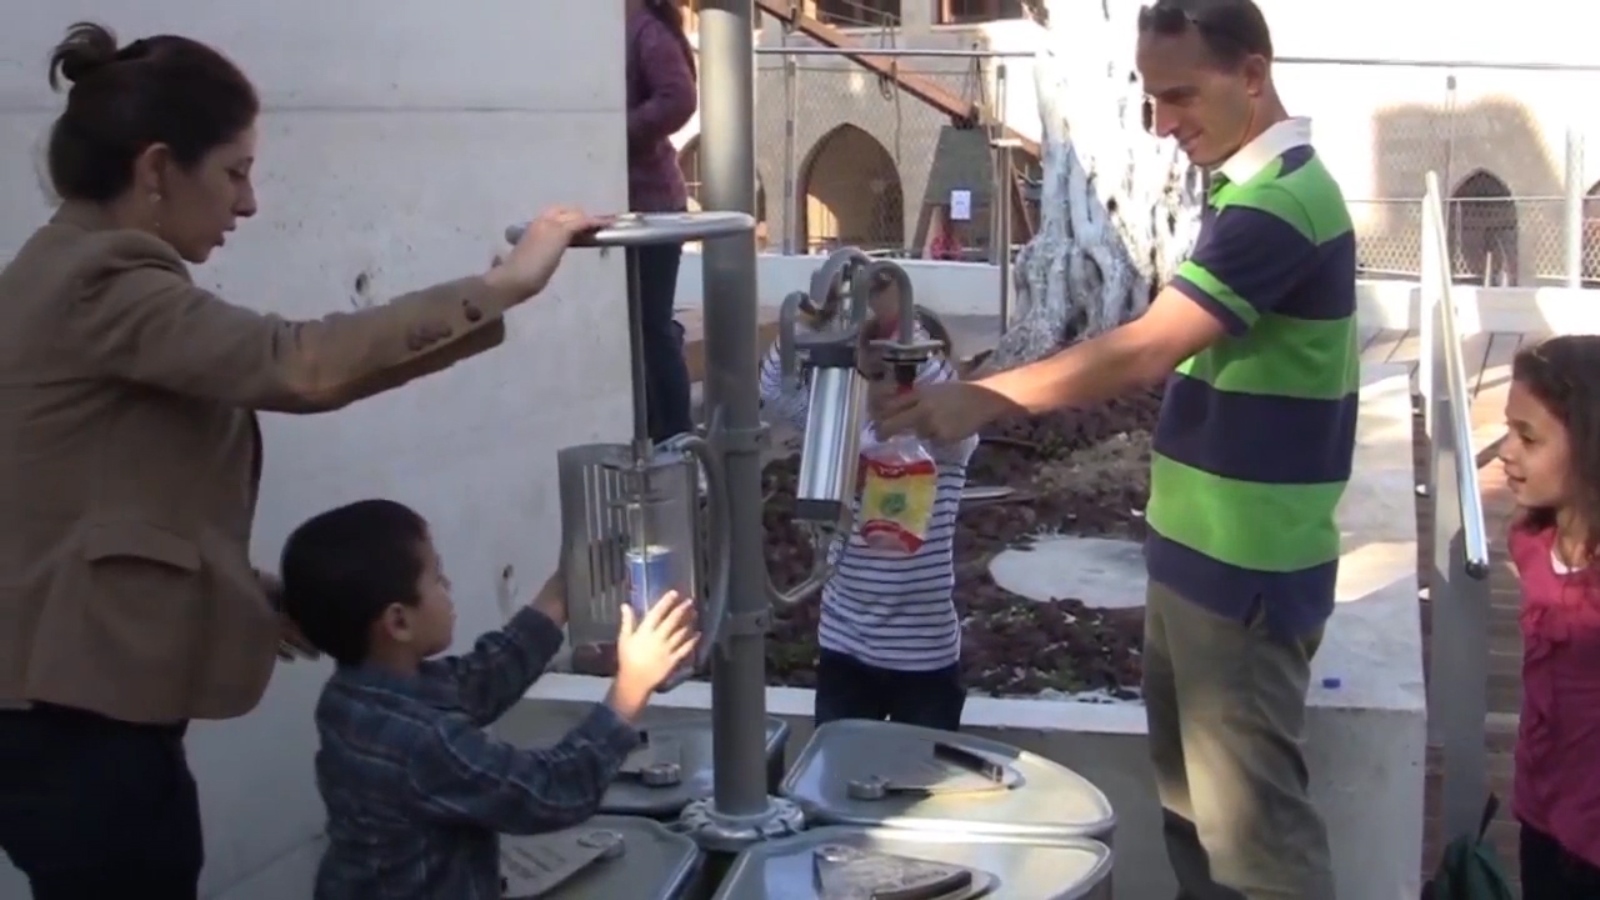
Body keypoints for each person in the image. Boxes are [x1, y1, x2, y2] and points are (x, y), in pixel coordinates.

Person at [0, 22, 606, 900]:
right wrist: (503, 286)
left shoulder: (59, 274)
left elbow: (82, 506)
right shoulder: (105, 282)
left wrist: (246, 590)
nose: (248, 205)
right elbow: (300, 364)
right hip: (76, 727)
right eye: (235, 173)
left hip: (69, 716)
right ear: (158, 169)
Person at [872, 1, 1352, 896]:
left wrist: (985, 397)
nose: (1164, 126)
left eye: (1181, 97)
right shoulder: (1247, 188)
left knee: (1258, 851)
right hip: (1194, 561)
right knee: (1193, 821)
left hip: (1245, 570)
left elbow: (1145, 346)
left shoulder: (1283, 202)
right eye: (1151, 101)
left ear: (1252, 74)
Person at [275, 499, 698, 898]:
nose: (449, 585)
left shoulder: (352, 695)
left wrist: (559, 597)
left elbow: (479, 680)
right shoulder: (422, 744)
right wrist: (630, 690)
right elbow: (549, 792)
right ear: (398, 621)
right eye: (437, 577)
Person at [760, 271, 977, 730]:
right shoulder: (844, 428)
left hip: (924, 655)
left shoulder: (948, 444)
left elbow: (946, 401)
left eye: (903, 373)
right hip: (845, 646)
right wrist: (813, 322)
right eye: (874, 371)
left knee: (917, 785)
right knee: (840, 774)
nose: (886, 386)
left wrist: (898, 323)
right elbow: (775, 391)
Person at [1497, 336, 1600, 899]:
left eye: (1529, 437)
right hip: (1542, 814)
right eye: (1510, 428)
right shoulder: (1531, 542)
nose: (1506, 451)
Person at [627, 0, 698, 442]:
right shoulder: (631, 25)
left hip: (652, 206)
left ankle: (676, 437)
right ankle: (658, 427)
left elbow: (680, 97)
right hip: (632, 207)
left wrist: (617, 130)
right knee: (647, 324)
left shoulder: (643, 28)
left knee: (651, 325)